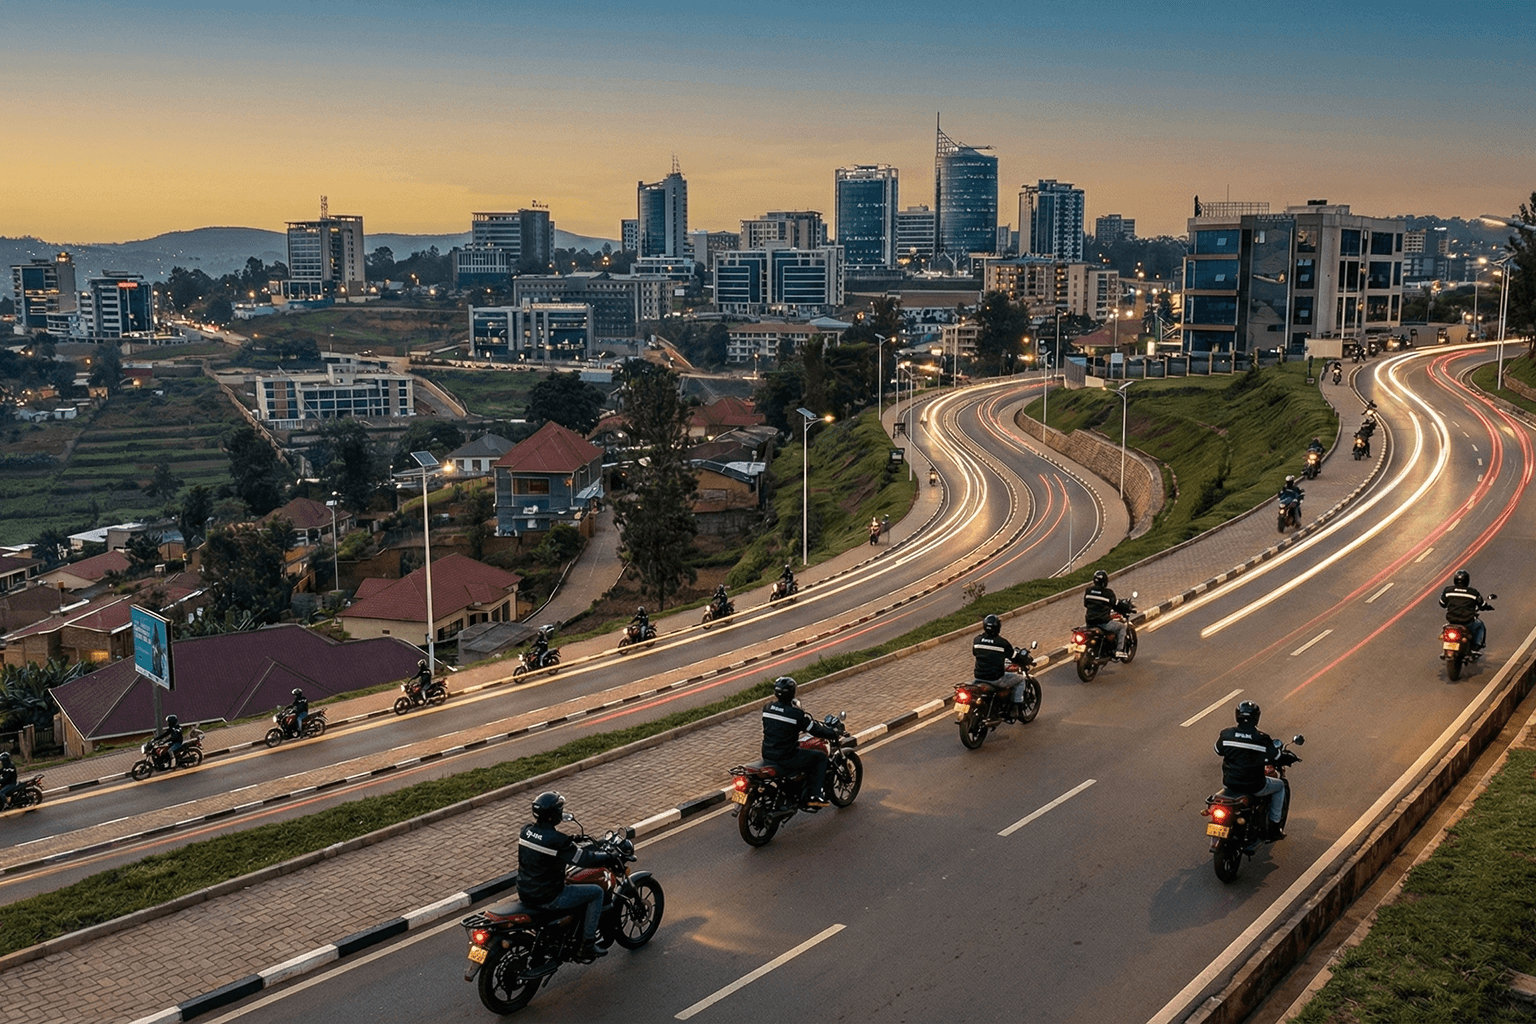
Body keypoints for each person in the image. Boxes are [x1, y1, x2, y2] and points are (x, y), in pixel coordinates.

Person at [516, 791, 617, 961]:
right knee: (596, 892)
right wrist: (607, 856)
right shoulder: (557, 841)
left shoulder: (525, 831)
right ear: (553, 815)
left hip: (525, 891)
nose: (561, 813)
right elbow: (583, 859)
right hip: (549, 896)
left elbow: (546, 844)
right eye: (559, 810)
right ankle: (587, 944)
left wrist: (570, 840)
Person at [761, 677, 838, 808]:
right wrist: (832, 733)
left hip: (767, 754)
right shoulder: (795, 714)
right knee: (820, 758)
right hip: (786, 757)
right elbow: (814, 730)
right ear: (792, 693)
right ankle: (815, 796)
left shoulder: (767, 708)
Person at [1215, 701, 1286, 842]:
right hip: (1255, 786)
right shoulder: (1262, 739)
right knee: (1280, 786)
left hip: (1230, 784)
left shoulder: (1226, 734)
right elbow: (1276, 756)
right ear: (1256, 718)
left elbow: (1218, 750)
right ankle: (1274, 827)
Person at [971, 614, 1034, 719]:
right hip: (995, 678)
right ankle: (1015, 708)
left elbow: (975, 653)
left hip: (979, 677)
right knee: (1020, 680)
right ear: (998, 627)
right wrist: (1024, 660)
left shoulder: (976, 640)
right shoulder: (1002, 643)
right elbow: (1014, 657)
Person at [1440, 568, 1492, 651]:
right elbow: (1482, 604)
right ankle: (1477, 645)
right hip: (1467, 621)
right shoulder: (1473, 592)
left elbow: (1442, 604)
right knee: (1480, 625)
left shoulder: (1448, 591)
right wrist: (1487, 607)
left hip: (1452, 620)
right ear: (1467, 581)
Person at [1083, 570, 1128, 659]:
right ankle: (1119, 651)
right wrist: (1127, 607)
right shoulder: (1108, 593)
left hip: (1090, 622)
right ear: (1105, 582)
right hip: (1104, 623)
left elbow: (1085, 604)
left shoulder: (1088, 591)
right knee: (1122, 627)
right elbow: (1115, 604)